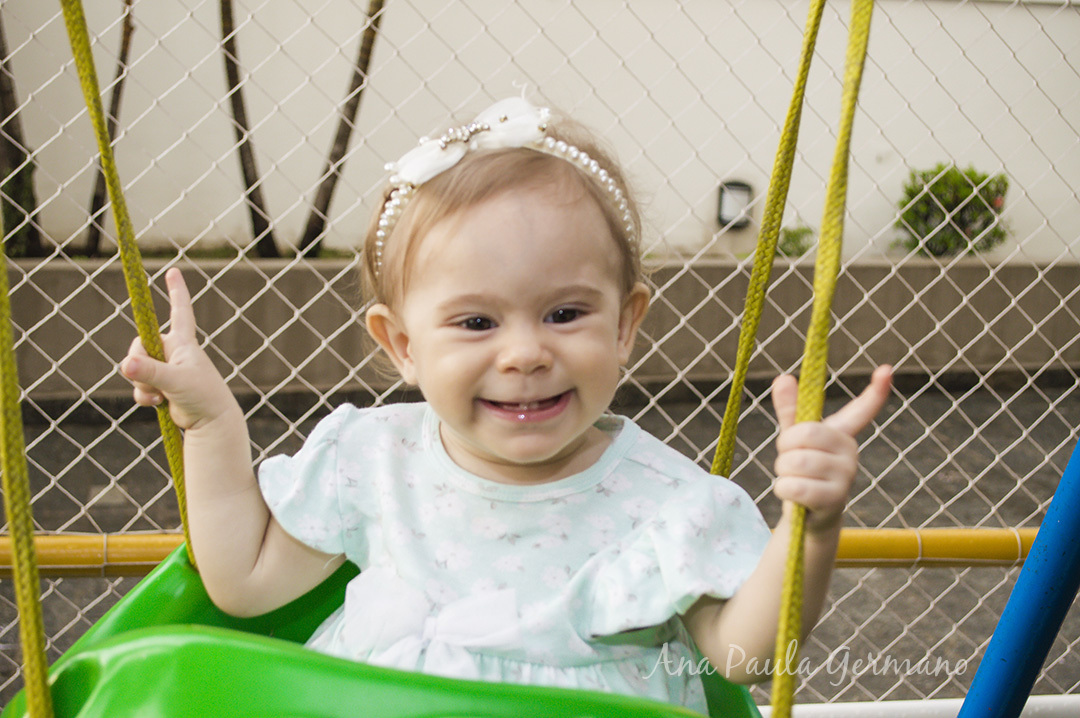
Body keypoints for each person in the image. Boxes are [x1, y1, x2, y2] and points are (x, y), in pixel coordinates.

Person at [121, 96, 892, 714]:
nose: (524, 353)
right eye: (476, 323)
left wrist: (811, 524)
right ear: (403, 345)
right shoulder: (374, 462)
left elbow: (745, 658)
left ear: (625, 325)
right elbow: (244, 581)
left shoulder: (665, 503)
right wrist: (210, 423)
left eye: (564, 313)